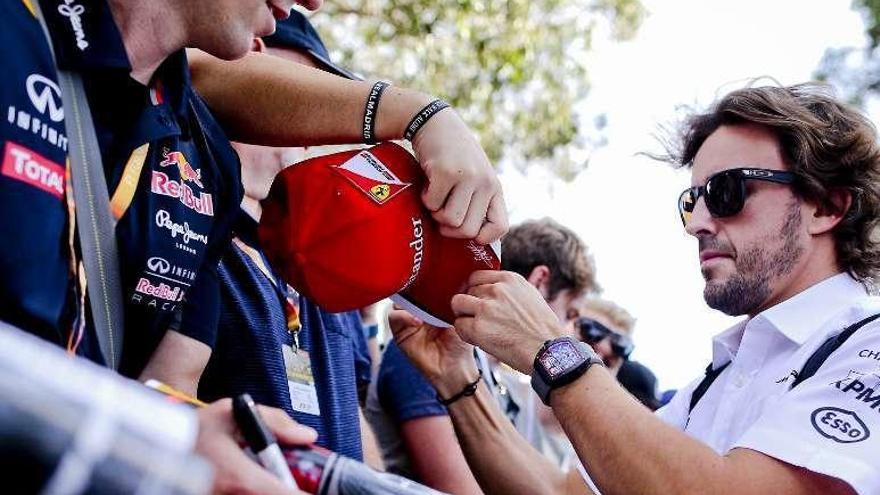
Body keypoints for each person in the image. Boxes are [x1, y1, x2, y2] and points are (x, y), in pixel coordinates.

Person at [391, 83, 880, 494]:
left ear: (826, 206)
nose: (698, 224)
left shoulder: (866, 346)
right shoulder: (723, 375)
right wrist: (459, 383)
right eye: (693, 201)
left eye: (727, 192)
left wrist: (552, 350)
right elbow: (562, 493)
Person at [140, 12, 379, 462]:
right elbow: (159, 403)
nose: (325, 117)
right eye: (312, 85)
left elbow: (354, 417)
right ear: (254, 58)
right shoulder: (183, 214)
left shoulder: (315, 258)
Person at [366, 218, 597, 492]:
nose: (570, 332)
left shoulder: (495, 383)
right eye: (570, 315)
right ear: (540, 282)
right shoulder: (432, 346)